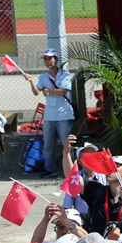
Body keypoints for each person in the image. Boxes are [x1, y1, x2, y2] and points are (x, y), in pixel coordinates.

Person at [24, 48, 73, 178]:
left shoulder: (64, 75)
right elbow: (36, 92)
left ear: (56, 60)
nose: (48, 61)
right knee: (48, 145)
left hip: (64, 115)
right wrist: (31, 82)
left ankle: (72, 170)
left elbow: (63, 91)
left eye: (50, 58)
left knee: (66, 144)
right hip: (49, 116)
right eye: (45, 59)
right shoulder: (43, 77)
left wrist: (49, 91)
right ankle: (51, 169)